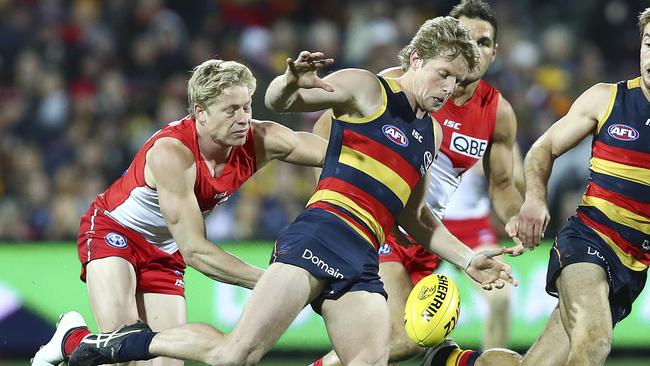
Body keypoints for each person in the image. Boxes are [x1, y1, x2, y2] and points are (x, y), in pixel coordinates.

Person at [37, 17, 517, 366]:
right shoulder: (368, 89)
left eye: (458, 79)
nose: (449, 87)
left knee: (373, 360)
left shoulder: (428, 136)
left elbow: (415, 216)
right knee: (233, 355)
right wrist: (291, 83)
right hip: (318, 237)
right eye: (442, 73)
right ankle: (101, 343)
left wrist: (468, 259)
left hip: (363, 256)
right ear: (415, 59)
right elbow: (282, 102)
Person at [31, 58, 329, 366]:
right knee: (123, 349)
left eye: (247, 107)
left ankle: (75, 341)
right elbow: (196, 251)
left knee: (165, 361)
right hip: (115, 232)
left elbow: (334, 156)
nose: (242, 119)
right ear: (200, 112)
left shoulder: (262, 139)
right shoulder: (172, 153)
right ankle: (71, 339)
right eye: (231, 110)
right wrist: (273, 282)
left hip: (165, 247)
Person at [423, 7, 650, 366]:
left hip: (635, 263)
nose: (649, 57)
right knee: (593, 343)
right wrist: (535, 198)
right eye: (647, 44)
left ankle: (454, 361)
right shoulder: (608, 98)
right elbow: (543, 148)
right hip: (589, 243)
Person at [311, 2, 522, 365]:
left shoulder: (496, 111)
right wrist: (339, 197)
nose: (472, 49)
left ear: (493, 51)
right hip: (385, 227)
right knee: (407, 336)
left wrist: (516, 218)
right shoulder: (401, 83)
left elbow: (502, 184)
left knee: (408, 338)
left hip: (427, 235)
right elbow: (324, 133)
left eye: (483, 42)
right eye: (464, 38)